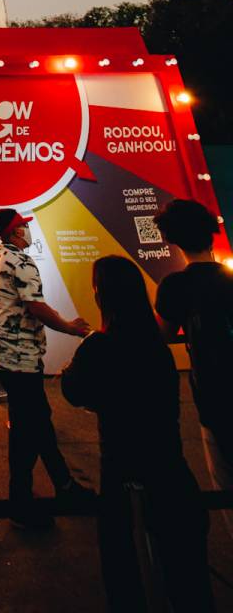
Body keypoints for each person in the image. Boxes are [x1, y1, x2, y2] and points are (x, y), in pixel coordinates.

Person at [61, 256, 214, 611]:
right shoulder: (156, 348)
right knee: (187, 578)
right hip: (171, 468)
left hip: (123, 473)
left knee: (126, 574)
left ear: (101, 295)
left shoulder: (99, 348)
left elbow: (75, 391)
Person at [0, 207, 93, 530]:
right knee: (25, 428)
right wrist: (69, 328)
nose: (27, 232)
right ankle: (20, 502)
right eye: (22, 227)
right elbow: (36, 307)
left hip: (3, 352)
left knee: (37, 420)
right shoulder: (22, 263)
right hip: (21, 355)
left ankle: (63, 485)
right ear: (12, 232)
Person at [153, 197, 233, 529]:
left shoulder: (176, 286)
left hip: (214, 396)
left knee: (225, 484)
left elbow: (162, 336)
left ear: (171, 238)